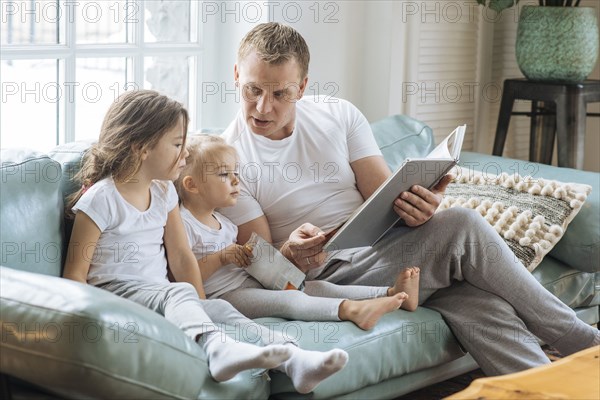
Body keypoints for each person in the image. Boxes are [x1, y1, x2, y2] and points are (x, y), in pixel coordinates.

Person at [219, 22, 600, 376]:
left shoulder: (338, 115)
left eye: (279, 93)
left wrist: (416, 211)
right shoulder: (226, 161)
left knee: (476, 301)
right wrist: (289, 253)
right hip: (325, 272)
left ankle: (545, 389)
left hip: (385, 248)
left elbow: (384, 199)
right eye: (253, 89)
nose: (263, 106)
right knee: (462, 225)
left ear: (302, 87)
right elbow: (265, 265)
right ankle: (585, 342)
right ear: (237, 76)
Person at [62, 89, 350, 394]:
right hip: (117, 298)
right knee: (180, 293)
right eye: (177, 144)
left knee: (221, 310)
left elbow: (181, 257)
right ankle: (216, 350)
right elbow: (74, 277)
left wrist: (202, 305)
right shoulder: (101, 199)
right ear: (141, 148)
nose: (185, 154)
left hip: (160, 295)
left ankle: (295, 358)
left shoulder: (164, 193)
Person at [174, 134, 420, 330]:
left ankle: (391, 293)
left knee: (311, 287)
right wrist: (222, 257)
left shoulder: (224, 222)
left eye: (235, 172)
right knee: (292, 300)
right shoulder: (183, 223)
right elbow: (179, 278)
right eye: (224, 174)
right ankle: (353, 311)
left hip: (249, 283)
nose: (236, 181)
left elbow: (239, 259)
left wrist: (255, 258)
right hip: (226, 296)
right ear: (192, 185)